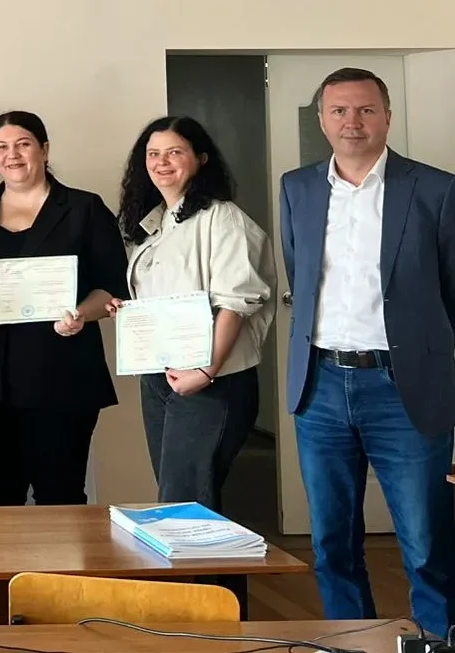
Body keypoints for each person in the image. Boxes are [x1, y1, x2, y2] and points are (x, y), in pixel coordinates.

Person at [280, 67, 455, 636]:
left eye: (365, 110)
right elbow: (301, 276)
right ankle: (350, 643)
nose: (351, 122)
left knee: (426, 543)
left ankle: (436, 643)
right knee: (331, 542)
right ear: (322, 120)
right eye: (339, 111)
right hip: (321, 384)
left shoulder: (436, 189)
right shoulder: (297, 188)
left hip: (405, 387)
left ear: (387, 118)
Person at [0, 111, 126, 507]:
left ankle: (61, 554)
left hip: (63, 375)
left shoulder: (84, 208)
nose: (12, 155)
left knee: (60, 492)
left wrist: (82, 314)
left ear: (44, 149)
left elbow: (112, 286)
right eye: (2, 147)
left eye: (23, 144)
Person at [113, 116, 273, 511]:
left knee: (185, 499)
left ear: (201, 159)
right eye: (153, 154)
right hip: (161, 378)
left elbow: (236, 302)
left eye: (174, 152)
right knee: (178, 497)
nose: (161, 162)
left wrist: (205, 371)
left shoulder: (223, 218)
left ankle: (203, 558)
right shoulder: (156, 224)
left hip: (211, 381)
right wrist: (132, 314)